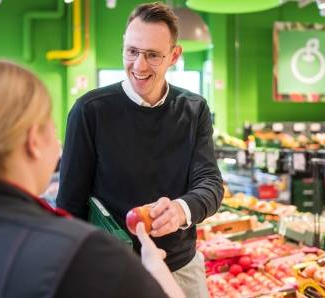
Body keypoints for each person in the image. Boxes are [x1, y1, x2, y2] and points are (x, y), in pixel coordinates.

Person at [0, 59, 184, 298]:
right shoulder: (82, 255)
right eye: (52, 126)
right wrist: (153, 270)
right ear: (32, 140)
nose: (59, 144)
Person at [57, 2, 223, 297]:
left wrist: (180, 210)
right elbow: (70, 204)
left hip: (181, 269)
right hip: (112, 270)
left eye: (153, 55)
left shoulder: (195, 109)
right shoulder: (89, 111)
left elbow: (210, 185)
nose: (139, 65)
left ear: (174, 55)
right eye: (132, 51)